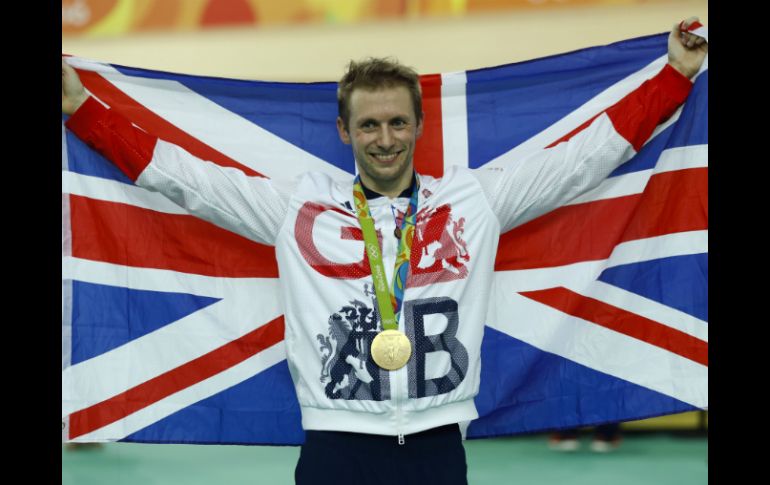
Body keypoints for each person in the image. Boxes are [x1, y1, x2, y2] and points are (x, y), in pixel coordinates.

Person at [61, 18, 707, 485]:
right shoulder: (300, 206)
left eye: (398, 122)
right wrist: (83, 109)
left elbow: (581, 160)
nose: (385, 138)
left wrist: (674, 78)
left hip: (435, 448)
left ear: (419, 127)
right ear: (345, 130)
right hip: (335, 448)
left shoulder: (471, 201)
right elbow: (187, 178)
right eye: (369, 124)